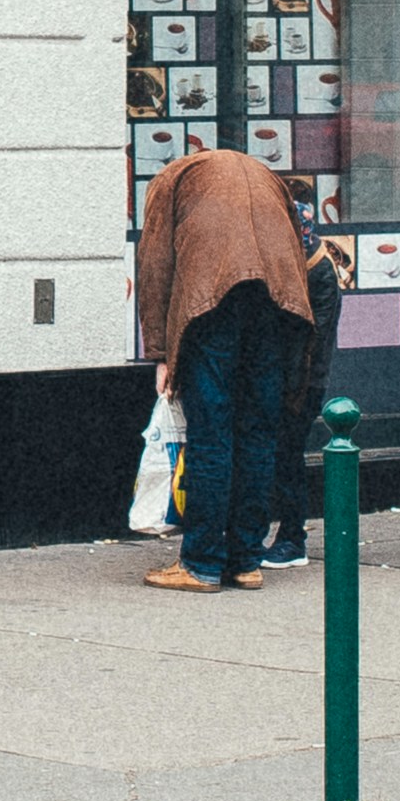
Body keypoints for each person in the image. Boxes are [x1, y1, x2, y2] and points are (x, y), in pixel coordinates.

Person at [129, 139, 317, 594]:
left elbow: (154, 265)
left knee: (211, 437)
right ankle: (246, 562)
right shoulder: (265, 176)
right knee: (256, 436)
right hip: (276, 306)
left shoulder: (172, 180)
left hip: (210, 310)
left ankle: (201, 564)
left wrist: (160, 353)